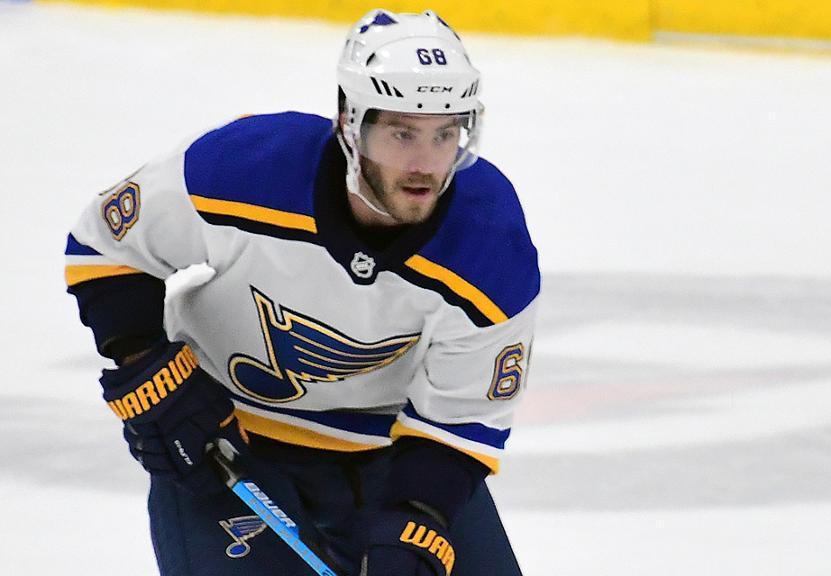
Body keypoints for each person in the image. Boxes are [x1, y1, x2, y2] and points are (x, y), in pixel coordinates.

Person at [63, 9, 539, 576]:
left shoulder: (489, 240)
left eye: (444, 134)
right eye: (401, 132)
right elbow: (106, 243)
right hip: (230, 440)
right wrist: (145, 367)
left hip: (395, 455)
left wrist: (417, 516)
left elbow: (462, 418)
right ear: (350, 123)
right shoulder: (245, 167)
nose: (425, 164)